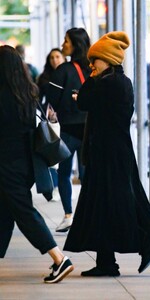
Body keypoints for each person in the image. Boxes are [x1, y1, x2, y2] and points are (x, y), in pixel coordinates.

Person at [64, 31, 150, 276]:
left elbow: (84, 101)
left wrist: (89, 80)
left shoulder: (109, 83)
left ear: (107, 59)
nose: (91, 65)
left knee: (117, 203)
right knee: (108, 204)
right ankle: (107, 262)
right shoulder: (118, 81)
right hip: (113, 152)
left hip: (110, 154)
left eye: (95, 60)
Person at [0, 45, 73, 284]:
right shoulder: (27, 93)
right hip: (25, 165)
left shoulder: (3, 96)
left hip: (8, 165)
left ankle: (59, 259)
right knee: (4, 212)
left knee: (24, 213)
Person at [47, 28, 91, 232]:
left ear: (75, 44)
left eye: (66, 41)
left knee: (64, 172)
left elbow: (52, 98)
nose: (63, 45)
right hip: (89, 129)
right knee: (86, 175)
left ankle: (68, 215)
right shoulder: (93, 69)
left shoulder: (63, 70)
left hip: (68, 130)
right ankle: (86, 216)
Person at [37, 48, 66, 201]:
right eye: (52, 57)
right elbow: (39, 99)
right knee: (53, 152)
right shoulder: (44, 78)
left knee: (64, 153)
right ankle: (54, 185)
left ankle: (63, 185)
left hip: (66, 119)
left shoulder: (68, 74)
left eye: (57, 57)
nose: (55, 60)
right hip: (49, 119)